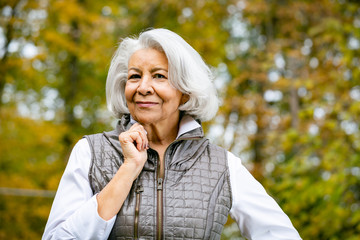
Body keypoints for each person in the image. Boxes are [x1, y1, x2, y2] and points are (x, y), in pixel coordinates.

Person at [42, 28, 301, 240]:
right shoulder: (90, 152)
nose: (143, 87)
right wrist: (128, 168)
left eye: (159, 76)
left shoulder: (223, 166)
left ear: (185, 92)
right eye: (134, 76)